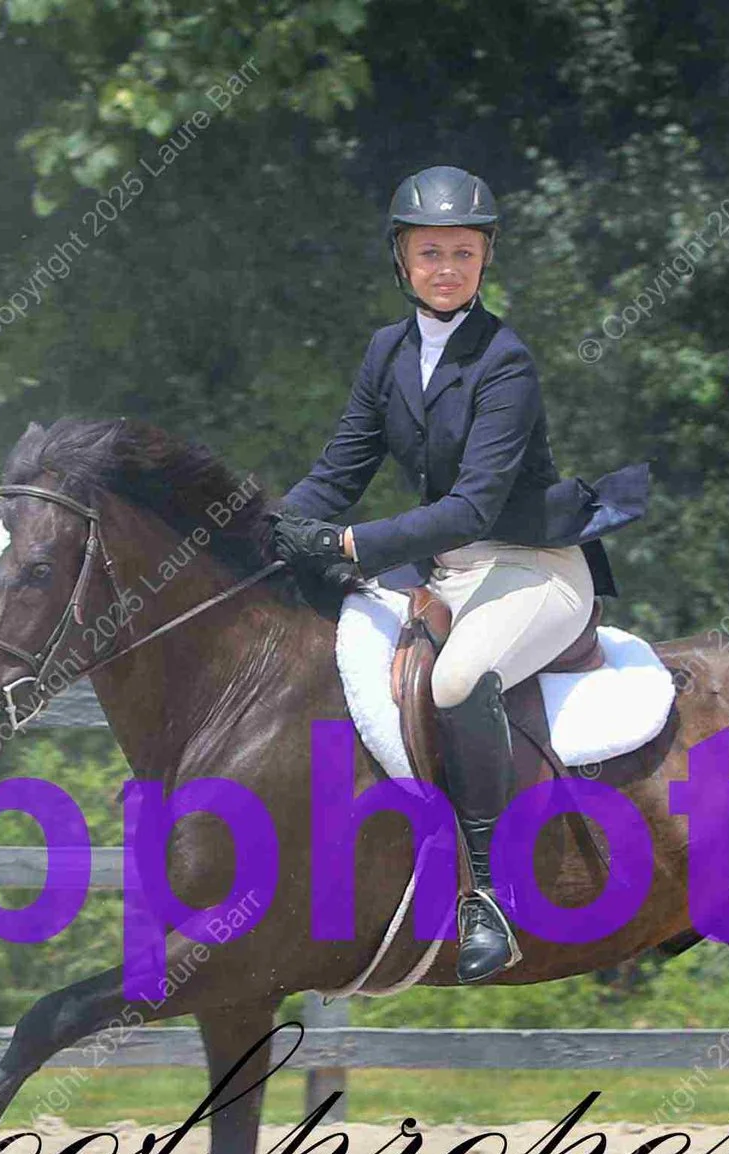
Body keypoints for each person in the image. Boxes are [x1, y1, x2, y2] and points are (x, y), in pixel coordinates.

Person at [268, 164, 646, 984]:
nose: (447, 268)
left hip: (535, 569)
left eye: (463, 253)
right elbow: (338, 470)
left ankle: (490, 898)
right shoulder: (386, 352)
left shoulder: (505, 361)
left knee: (458, 680)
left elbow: (473, 506)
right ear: (401, 259)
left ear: (486, 259)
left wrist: (348, 544)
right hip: (450, 569)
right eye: (430, 252)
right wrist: (273, 530)